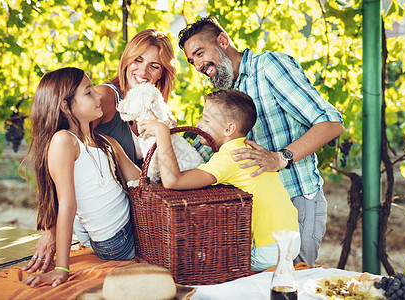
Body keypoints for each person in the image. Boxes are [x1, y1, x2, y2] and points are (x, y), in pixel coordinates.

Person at [178, 16, 344, 265]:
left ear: (223, 41)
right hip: (251, 218)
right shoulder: (224, 97)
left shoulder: (268, 67)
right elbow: (205, 149)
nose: (199, 65)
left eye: (200, 53)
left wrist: (280, 157)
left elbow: (331, 122)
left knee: (288, 288)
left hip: (294, 202)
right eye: (192, 61)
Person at [22, 29, 176, 274]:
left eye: (154, 66)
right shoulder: (103, 99)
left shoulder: (159, 113)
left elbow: (149, 174)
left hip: (132, 209)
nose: (143, 72)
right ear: (126, 61)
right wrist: (50, 230)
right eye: (138, 60)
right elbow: (59, 153)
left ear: (162, 73)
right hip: (110, 221)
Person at [140, 89, 300, 271]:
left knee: (201, 260)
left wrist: (162, 132)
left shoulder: (230, 157)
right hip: (289, 238)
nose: (199, 125)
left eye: (206, 120)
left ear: (229, 129)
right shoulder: (248, 150)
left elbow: (173, 181)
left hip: (267, 247)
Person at [20, 67, 140, 287]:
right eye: (88, 92)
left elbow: (143, 182)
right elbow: (67, 206)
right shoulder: (64, 141)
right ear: (66, 106)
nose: (98, 96)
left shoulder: (105, 142)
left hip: (131, 227)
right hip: (117, 241)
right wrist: (62, 269)